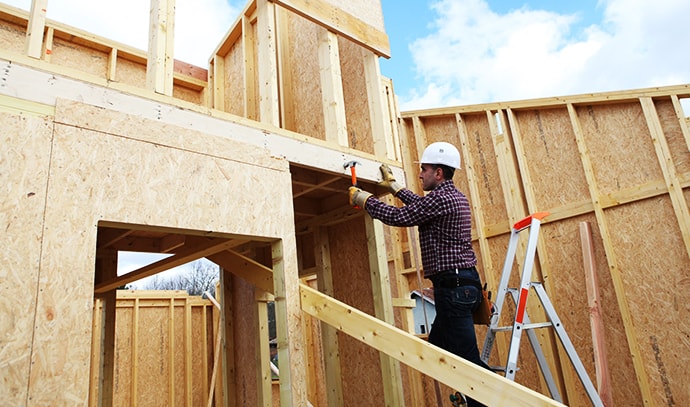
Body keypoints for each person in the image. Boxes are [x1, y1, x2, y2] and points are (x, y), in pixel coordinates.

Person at [348, 141, 491, 407]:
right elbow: (421, 206)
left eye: (424, 169)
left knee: (470, 363)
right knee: (437, 344)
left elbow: (401, 217)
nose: (421, 174)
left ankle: (490, 401)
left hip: (455, 289)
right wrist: (396, 188)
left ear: (439, 173)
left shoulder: (440, 199)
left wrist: (365, 200)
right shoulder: (451, 197)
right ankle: (475, 397)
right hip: (462, 286)